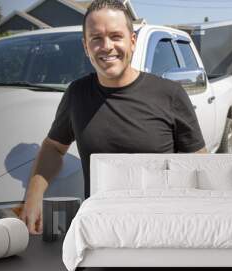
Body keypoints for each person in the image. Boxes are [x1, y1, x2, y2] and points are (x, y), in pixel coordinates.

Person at [20, 0, 207, 234]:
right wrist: (33, 196)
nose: (106, 46)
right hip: (100, 231)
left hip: (161, 229)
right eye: (96, 38)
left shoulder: (169, 94)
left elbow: (200, 166)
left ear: (132, 41)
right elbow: (53, 147)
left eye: (116, 36)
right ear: (86, 47)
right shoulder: (77, 94)